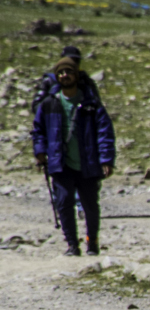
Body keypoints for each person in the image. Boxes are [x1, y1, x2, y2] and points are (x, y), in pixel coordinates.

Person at [32, 57, 115, 256]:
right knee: (64, 202)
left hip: (88, 163)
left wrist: (106, 159)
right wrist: (40, 152)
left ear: (76, 75)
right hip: (60, 164)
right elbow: (38, 130)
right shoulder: (49, 104)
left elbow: (105, 133)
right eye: (61, 73)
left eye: (68, 72)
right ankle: (72, 244)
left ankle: (92, 241)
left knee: (90, 206)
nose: (64, 76)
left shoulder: (91, 105)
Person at [32, 46, 101, 115]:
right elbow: (36, 106)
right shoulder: (50, 81)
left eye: (76, 61)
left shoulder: (86, 81)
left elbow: (97, 107)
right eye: (69, 60)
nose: (72, 64)